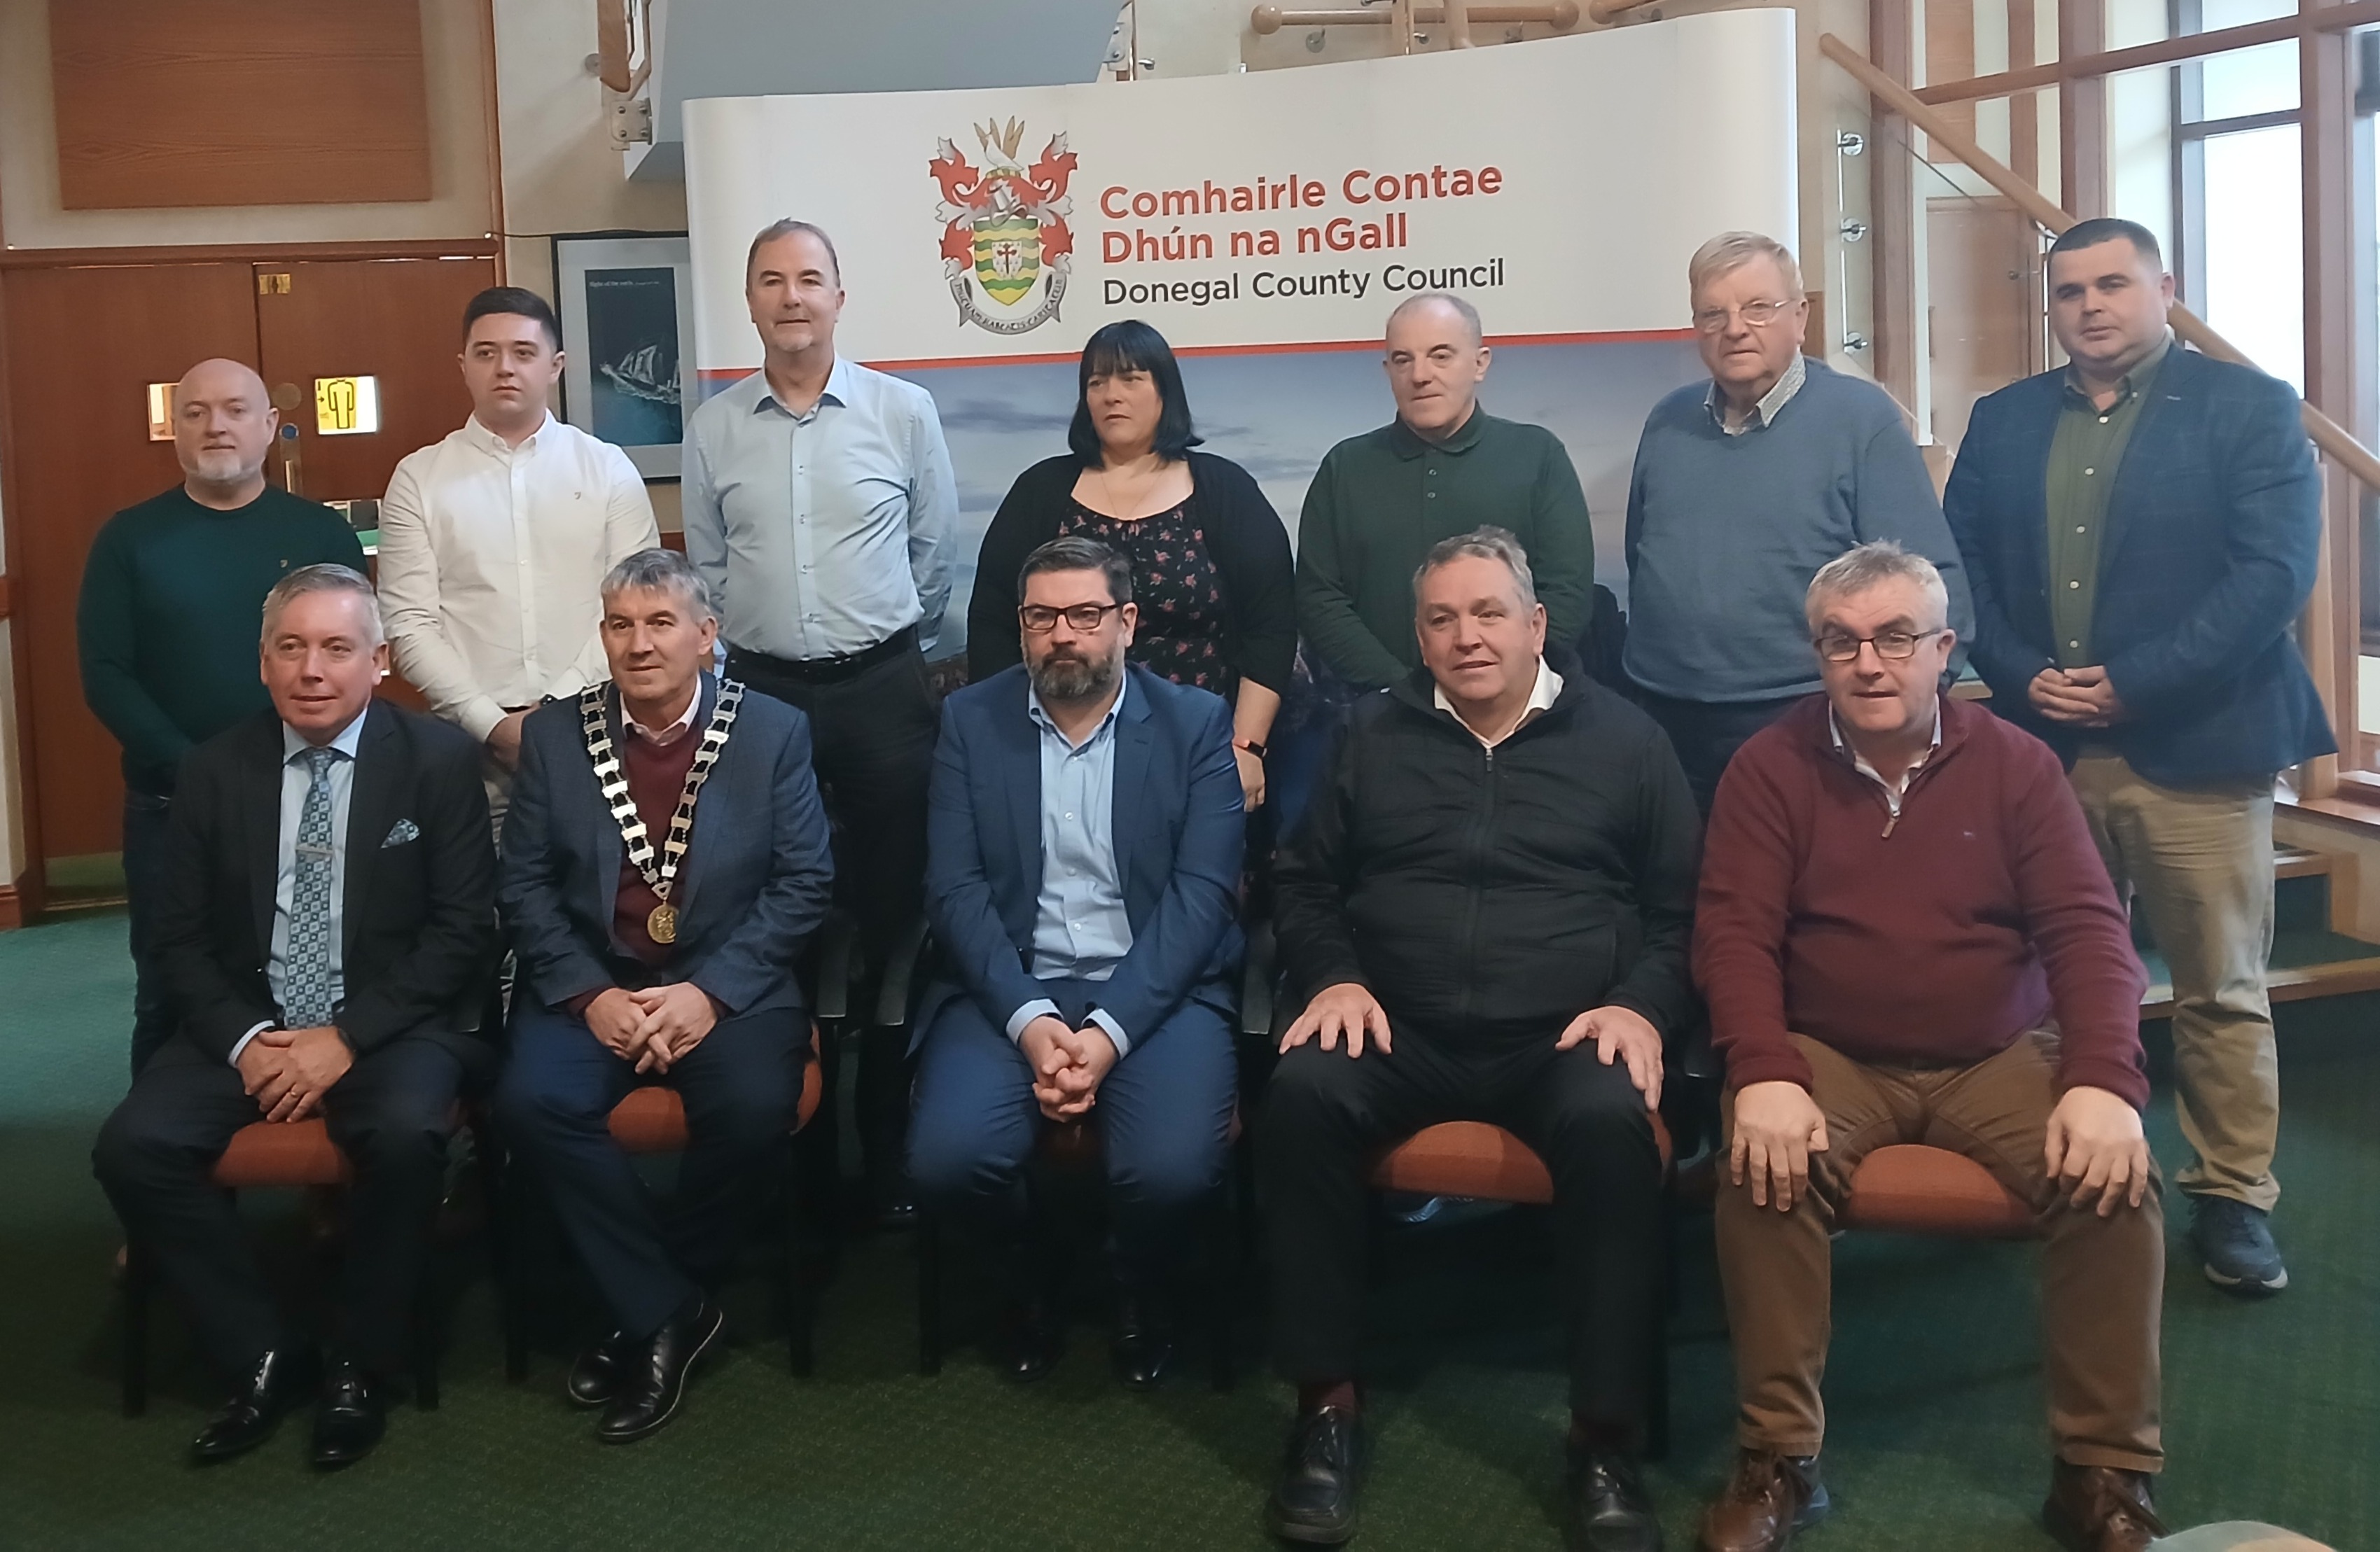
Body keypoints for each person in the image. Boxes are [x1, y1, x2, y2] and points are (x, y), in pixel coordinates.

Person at [1694, 541, 2164, 1552]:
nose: (1869, 663)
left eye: (1895, 637)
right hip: (1831, 1050)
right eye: (1841, 641)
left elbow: (2088, 932)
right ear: (1815, 652)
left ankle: (2099, 1472)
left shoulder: (2015, 765)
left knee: (2113, 1178)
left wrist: (2102, 1081)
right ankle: (1778, 1457)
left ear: (1942, 648)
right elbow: (1731, 934)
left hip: (1993, 1048)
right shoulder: (1768, 766)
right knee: (1758, 1163)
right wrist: (1762, 1071)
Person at [1260, 527, 1697, 1551]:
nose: (1466, 637)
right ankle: (1324, 1409)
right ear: (1417, 634)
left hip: (1563, 1033)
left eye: (1488, 613)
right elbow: (1302, 882)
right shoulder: (1369, 736)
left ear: (1535, 623)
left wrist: (1638, 1002)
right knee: (1300, 1097)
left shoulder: (1626, 742)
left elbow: (1686, 912)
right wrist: (1333, 977)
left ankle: (1601, 1434)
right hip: (1396, 1024)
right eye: (1442, 619)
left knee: (1608, 1128)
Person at [1943, 216, 2330, 1296]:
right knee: (2052, 980)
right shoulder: (2004, 419)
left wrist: (2134, 681)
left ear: (2165, 286)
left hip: (2196, 746)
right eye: (2068, 292)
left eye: (2112, 284)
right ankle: (2066, 1168)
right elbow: (1960, 565)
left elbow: (2270, 577)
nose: (2090, 307)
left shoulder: (2246, 408)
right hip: (2045, 746)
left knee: (2217, 988)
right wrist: (2022, 675)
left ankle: (2230, 1197)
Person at [92, 564, 496, 1469]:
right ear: (264, 664)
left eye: (337, 647)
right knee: (133, 1147)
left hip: (389, 1022)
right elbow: (179, 939)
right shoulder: (212, 769)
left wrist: (345, 1038)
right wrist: (246, 1042)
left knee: (400, 1135)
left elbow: (465, 930)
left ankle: (362, 1360)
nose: (313, 669)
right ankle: (263, 1352)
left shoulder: (435, 761)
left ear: (379, 661)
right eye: (291, 647)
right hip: (249, 1022)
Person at [494, 547, 835, 1444]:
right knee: (531, 1103)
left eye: (659, 623)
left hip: (729, 985)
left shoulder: (772, 733)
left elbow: (805, 883)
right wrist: (589, 996)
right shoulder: (558, 737)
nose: (638, 644)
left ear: (705, 635)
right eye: (619, 625)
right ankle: (671, 1311)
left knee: (758, 1104)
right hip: (595, 987)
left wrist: (710, 995)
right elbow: (523, 888)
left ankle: (645, 1305)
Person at [912, 536, 1243, 1388]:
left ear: (1126, 623)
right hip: (1009, 989)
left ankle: (1139, 1288)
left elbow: (1202, 900)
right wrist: (1031, 1025)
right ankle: (1030, 1284)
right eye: (1042, 616)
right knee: (947, 1162)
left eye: (1086, 614)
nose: (1064, 633)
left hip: (1152, 992)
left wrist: (1106, 1033)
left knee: (1170, 1173)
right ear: (1021, 629)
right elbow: (955, 892)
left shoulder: (1197, 725)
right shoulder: (969, 722)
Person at [683, 218, 957, 1219]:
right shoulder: (712, 428)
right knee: (769, 911)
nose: (791, 297)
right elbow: (707, 569)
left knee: (892, 918)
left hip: (883, 689)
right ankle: (789, 1152)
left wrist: (877, 641)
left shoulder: (902, 410)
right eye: (771, 281)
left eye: (810, 279)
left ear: (840, 296)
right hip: (759, 694)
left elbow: (934, 558)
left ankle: (887, 1147)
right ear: (748, 302)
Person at [78, 359, 368, 1074]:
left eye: (236, 409)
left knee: (322, 978)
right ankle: (169, 1151)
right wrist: (200, 773)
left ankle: (323, 1157)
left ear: (269, 425)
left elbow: (352, 659)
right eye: (197, 412)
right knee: (170, 984)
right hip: (173, 803)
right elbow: (106, 673)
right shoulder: (129, 539)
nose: (216, 426)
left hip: (316, 797)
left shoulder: (320, 536)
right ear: (173, 430)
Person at [1624, 231, 1973, 813]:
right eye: (1714, 313)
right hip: (1668, 716)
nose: (1735, 328)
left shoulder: (1860, 420)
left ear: (1800, 316)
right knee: (1689, 896)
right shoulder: (1668, 420)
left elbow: (1930, 580)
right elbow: (1643, 552)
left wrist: (1906, 709)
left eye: (1758, 308)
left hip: (1806, 715)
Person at [968, 319, 1293, 812]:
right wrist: (1011, 740)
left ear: (1165, 391)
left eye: (1130, 379)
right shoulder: (1040, 491)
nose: (1110, 395)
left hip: (1198, 749)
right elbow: (993, 623)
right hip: (1058, 747)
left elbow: (1271, 625)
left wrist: (1245, 747)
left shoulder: (1223, 490)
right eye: (1096, 382)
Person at [377, 286, 659, 822]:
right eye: (487, 353)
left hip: (596, 728)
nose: (504, 367)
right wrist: (491, 723)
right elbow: (408, 622)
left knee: (599, 896)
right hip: (466, 744)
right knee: (474, 901)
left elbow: (635, 609)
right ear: (463, 366)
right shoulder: (419, 478)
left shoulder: (607, 469)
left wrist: (553, 715)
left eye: (523, 353)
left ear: (555, 366)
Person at [1295, 294, 1594, 694]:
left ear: (1480, 363)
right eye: (1403, 360)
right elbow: (1321, 598)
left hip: (1513, 713)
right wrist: (1400, 690)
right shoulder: (1345, 467)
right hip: (1379, 712)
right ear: (1387, 370)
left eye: (1440, 355)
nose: (1420, 375)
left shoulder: (1538, 455)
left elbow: (1567, 589)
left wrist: (1501, 686)